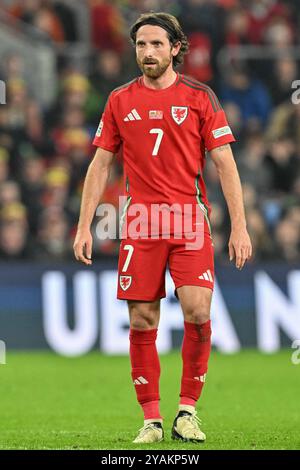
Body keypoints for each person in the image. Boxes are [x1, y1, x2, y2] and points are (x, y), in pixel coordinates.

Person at [73, 12, 252, 444]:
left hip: (190, 219)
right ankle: (152, 420)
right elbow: (100, 165)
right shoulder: (119, 99)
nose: (147, 52)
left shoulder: (199, 96)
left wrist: (240, 228)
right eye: (140, 45)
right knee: (141, 321)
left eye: (156, 44)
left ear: (175, 49)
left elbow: (225, 163)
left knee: (199, 311)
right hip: (139, 222)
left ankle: (187, 412)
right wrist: (83, 226)